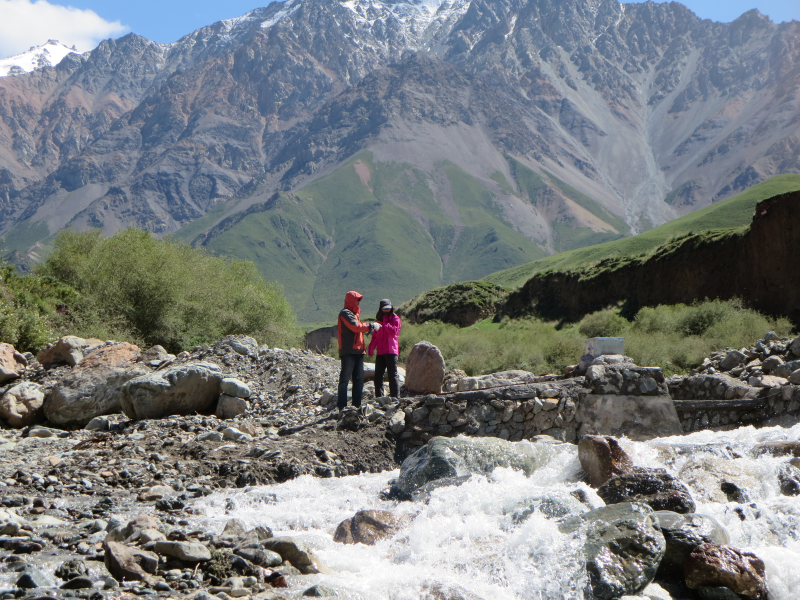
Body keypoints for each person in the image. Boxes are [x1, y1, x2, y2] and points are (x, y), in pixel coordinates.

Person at [337, 290, 379, 410]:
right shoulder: (345, 313)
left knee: (359, 380)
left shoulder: (354, 314)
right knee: (345, 379)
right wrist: (371, 326)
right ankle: (342, 407)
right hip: (348, 351)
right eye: (357, 300)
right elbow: (355, 327)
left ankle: (357, 406)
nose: (359, 302)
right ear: (351, 300)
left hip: (358, 351)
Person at [368, 298, 401, 398]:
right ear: (380, 309)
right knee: (378, 377)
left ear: (391, 308)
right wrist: (371, 347)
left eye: (388, 309)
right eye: (384, 309)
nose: (386, 310)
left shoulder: (395, 319)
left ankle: (395, 398)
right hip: (381, 352)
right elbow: (375, 336)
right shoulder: (379, 321)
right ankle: (379, 398)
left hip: (391, 351)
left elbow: (394, 332)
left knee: (392, 376)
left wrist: (386, 322)